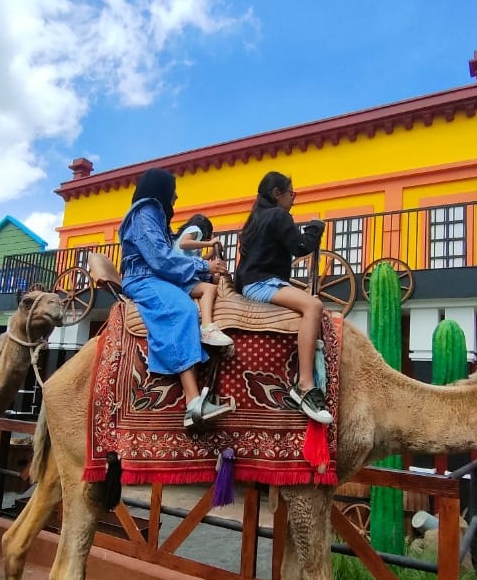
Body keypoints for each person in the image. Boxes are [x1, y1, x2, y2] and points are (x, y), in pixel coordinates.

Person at [119, 168, 234, 429]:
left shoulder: (156, 218)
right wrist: (204, 268)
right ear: (161, 190)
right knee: (182, 310)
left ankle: (208, 329)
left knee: (207, 290)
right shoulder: (144, 214)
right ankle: (193, 402)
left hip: (159, 276)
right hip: (144, 278)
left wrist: (206, 269)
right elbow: (160, 258)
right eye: (173, 191)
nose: (176, 196)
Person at [234, 171, 332, 424]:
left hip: (251, 280)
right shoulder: (278, 215)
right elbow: (300, 247)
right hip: (262, 282)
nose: (293, 199)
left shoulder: (254, 219)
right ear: (277, 194)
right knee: (313, 306)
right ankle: (305, 385)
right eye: (291, 193)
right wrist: (315, 229)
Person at [171, 213, 232, 347]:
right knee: (210, 288)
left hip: (184, 274)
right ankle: (207, 327)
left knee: (214, 277)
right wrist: (209, 243)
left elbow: (198, 261)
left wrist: (211, 253)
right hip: (183, 277)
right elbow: (184, 243)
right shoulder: (195, 230)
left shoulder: (186, 240)